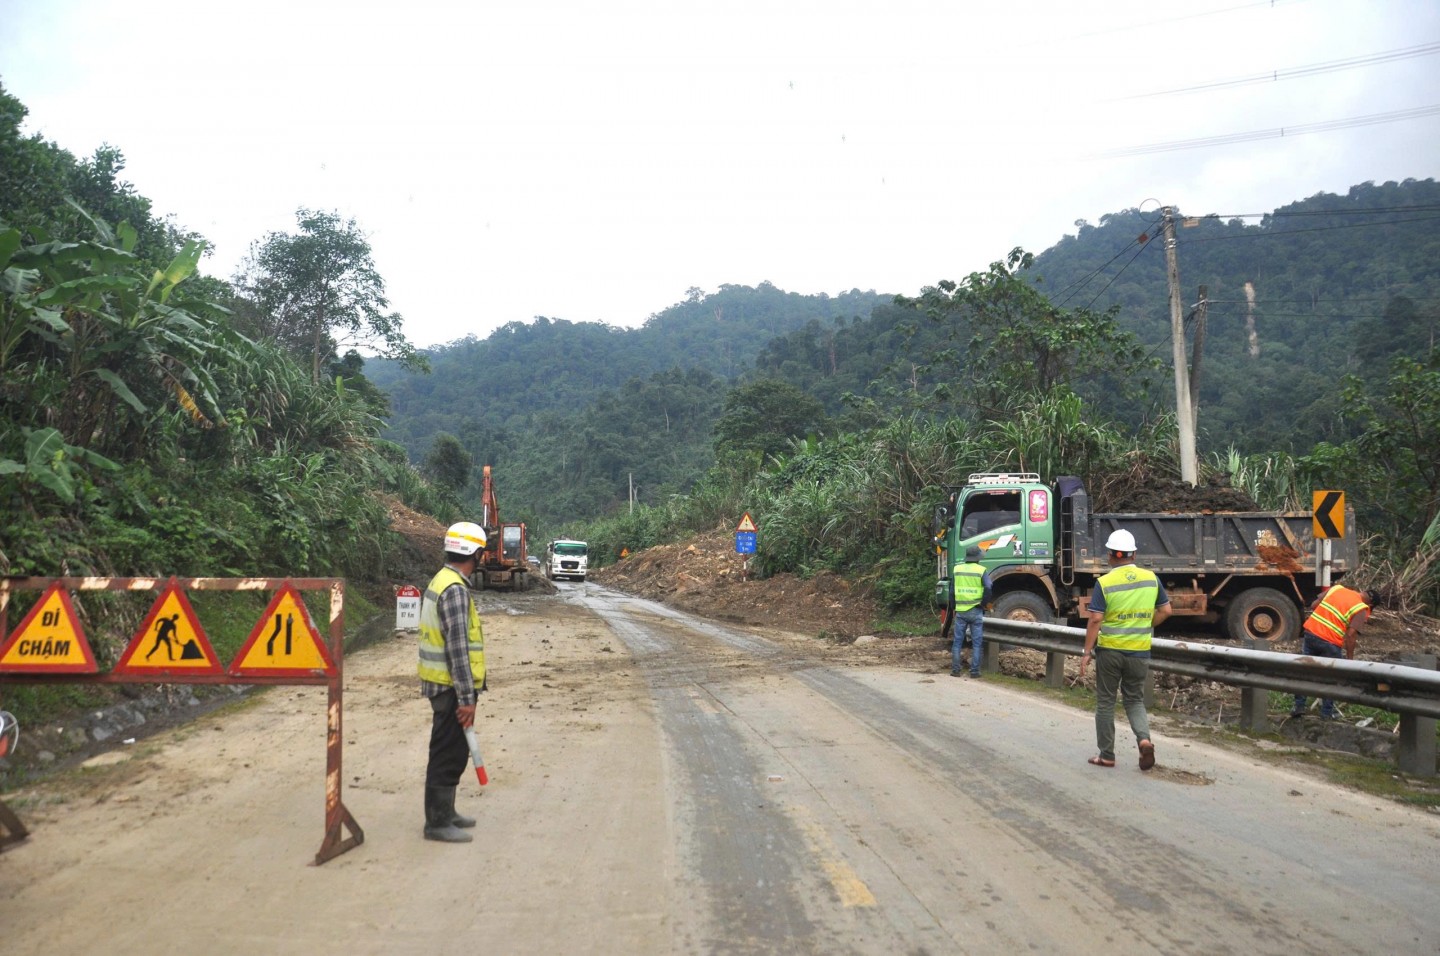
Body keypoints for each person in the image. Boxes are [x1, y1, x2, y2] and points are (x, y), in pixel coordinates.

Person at [418, 521, 489, 843]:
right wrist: (466, 698)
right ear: (475, 553)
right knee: (447, 752)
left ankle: (447, 813)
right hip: (450, 687)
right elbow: (457, 648)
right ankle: (437, 822)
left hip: (443, 684)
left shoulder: (441, 580)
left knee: (453, 749)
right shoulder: (455, 590)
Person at [1079, 528, 1171, 770]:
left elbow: (1096, 619)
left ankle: (1107, 755)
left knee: (1106, 702)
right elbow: (1166, 611)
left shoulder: (1105, 582)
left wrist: (1086, 652)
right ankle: (1143, 740)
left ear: (1111, 555)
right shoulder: (1151, 578)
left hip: (1110, 651)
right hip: (1139, 651)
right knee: (1134, 700)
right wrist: (1145, 624)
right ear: (1134, 554)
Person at [1291, 584, 1376, 719]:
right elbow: (1351, 635)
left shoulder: (1337, 589)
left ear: (1363, 591)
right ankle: (1326, 713)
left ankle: (1299, 706)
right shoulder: (1361, 608)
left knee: (1304, 672)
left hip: (1311, 634)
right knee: (1331, 678)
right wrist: (1349, 660)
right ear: (1370, 604)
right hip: (1330, 642)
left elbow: (1314, 605)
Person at [949, 545, 993, 678]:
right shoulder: (981, 570)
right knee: (977, 643)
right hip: (975, 610)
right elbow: (989, 587)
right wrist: (983, 603)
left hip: (961, 611)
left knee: (957, 642)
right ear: (978, 558)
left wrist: (954, 607)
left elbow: (951, 591)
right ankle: (974, 672)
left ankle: (956, 670)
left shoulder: (957, 569)